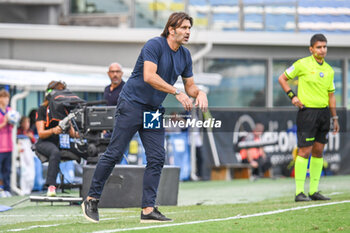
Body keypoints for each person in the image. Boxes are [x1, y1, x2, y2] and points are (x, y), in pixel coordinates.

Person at [82, 12, 208, 223]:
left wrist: (200, 93)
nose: (188, 32)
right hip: (131, 105)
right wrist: (176, 92)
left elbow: (190, 86)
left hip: (152, 110)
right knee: (114, 153)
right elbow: (150, 76)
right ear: (171, 29)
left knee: (157, 157)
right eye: (184, 28)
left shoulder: (185, 55)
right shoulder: (155, 45)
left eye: (189, 29)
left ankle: (148, 210)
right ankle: (92, 199)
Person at [278, 34, 339, 202]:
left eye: (325, 47)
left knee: (319, 151)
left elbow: (331, 95)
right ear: (311, 49)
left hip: (324, 114)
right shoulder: (302, 64)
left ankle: (314, 191)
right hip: (307, 113)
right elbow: (282, 78)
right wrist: (292, 96)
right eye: (319, 47)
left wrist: (334, 118)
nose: (322, 50)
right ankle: (299, 192)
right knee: (304, 151)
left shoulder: (329, 70)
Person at [35, 81, 80, 197]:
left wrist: (84, 134)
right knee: (55, 152)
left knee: (87, 150)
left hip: (61, 142)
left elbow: (72, 132)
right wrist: (53, 130)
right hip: (44, 142)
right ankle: (51, 186)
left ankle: (93, 186)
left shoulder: (64, 111)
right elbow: (41, 133)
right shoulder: (42, 110)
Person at [0, 89, 13, 197]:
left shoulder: (10, 110)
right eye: (4, 97)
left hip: (9, 146)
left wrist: (12, 120)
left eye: (7, 97)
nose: (6, 100)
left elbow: (14, 125)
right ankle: (1, 189)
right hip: (0, 146)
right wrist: (4, 122)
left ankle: (7, 189)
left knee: (7, 169)